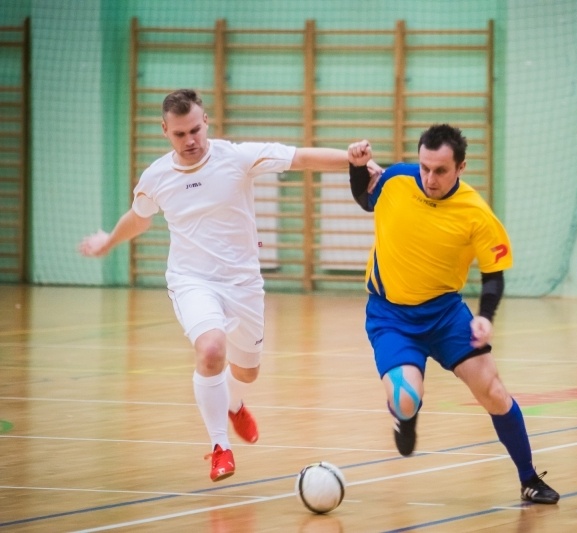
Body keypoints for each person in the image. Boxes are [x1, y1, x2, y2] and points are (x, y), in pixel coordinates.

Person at [79, 89, 380, 482]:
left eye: (195, 130)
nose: (190, 141)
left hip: (242, 284)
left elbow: (300, 157)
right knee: (210, 349)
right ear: (165, 131)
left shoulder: (236, 158)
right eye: (180, 134)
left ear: (207, 122)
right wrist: (108, 241)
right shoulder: (156, 177)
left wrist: (353, 160)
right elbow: (138, 218)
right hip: (192, 281)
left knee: (248, 372)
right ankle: (221, 447)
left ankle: (233, 402)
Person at [346, 124, 560, 505]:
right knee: (407, 397)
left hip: (445, 315)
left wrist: (485, 315)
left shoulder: (476, 213)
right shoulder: (396, 180)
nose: (429, 178)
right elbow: (366, 200)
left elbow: (493, 275)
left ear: (461, 167)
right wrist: (357, 167)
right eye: (424, 167)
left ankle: (529, 478)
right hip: (391, 316)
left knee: (494, 392)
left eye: (440, 170)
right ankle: (406, 417)